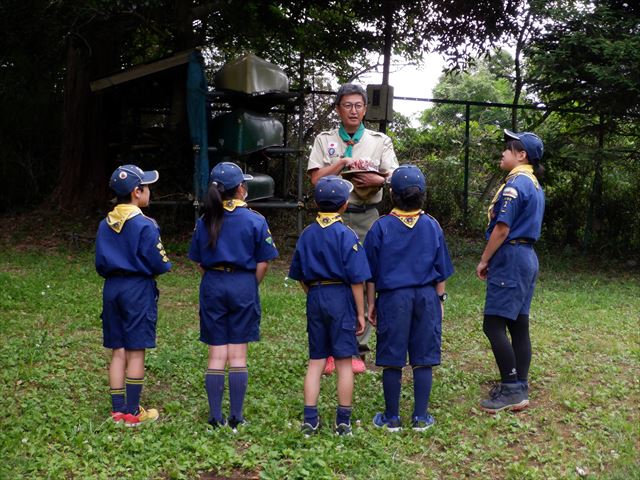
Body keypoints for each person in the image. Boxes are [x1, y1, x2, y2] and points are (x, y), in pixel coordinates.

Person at [307, 83, 398, 374]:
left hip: (367, 215)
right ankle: (333, 346)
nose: (354, 111)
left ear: (365, 109)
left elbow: (394, 175)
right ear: (338, 108)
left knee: (367, 276)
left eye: (359, 105)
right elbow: (316, 179)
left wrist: (379, 181)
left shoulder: (378, 140)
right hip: (332, 217)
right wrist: (343, 163)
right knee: (334, 277)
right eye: (348, 105)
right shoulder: (325, 140)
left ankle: (359, 347)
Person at [364, 165, 454, 431]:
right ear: (423, 195)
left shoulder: (380, 227)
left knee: (392, 358)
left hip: (393, 299)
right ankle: (420, 417)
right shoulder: (432, 225)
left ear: (392, 195)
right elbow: (441, 270)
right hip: (426, 298)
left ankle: (392, 418)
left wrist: (372, 304)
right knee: (423, 357)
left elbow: (370, 273)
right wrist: (440, 300)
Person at [189, 162, 279, 430]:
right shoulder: (255, 219)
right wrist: (248, 284)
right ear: (241, 189)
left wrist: (216, 279)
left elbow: (199, 262)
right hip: (243, 283)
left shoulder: (204, 220)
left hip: (213, 283)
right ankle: (236, 417)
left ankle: (215, 417)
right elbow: (264, 262)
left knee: (216, 354)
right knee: (238, 355)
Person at [288, 175, 371, 436]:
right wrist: (360, 312)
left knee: (316, 361)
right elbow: (357, 280)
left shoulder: (307, 234)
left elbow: (299, 274)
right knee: (344, 361)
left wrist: (313, 292)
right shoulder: (347, 235)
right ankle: (343, 421)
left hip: (315, 295)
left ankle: (310, 420)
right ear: (345, 205)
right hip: (340, 298)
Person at [95, 164, 172, 427]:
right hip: (137, 290)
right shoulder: (145, 224)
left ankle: (117, 411)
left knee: (118, 349)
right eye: (147, 187)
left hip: (112, 289)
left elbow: (99, 264)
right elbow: (160, 263)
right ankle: (133, 412)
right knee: (136, 350)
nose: (150, 191)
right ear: (137, 192)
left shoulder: (104, 224)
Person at [476, 129, 545, 414]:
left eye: (508, 148)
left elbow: (502, 228)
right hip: (527, 256)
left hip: (512, 257)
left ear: (522, 155)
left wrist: (484, 259)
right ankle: (520, 384)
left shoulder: (516, 184)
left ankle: (512, 388)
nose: (503, 153)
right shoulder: (535, 184)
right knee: (518, 323)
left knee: (492, 325)